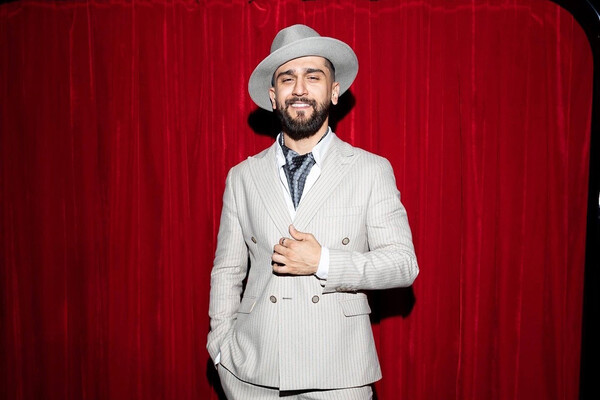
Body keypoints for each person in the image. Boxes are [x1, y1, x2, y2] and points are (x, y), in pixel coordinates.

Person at [207, 24, 419, 399]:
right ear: (273, 96)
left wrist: (323, 261)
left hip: (339, 374)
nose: (300, 89)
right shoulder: (242, 176)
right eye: (287, 78)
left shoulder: (370, 170)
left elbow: (403, 264)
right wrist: (221, 347)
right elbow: (227, 271)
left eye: (313, 76)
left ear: (334, 91)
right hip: (253, 373)